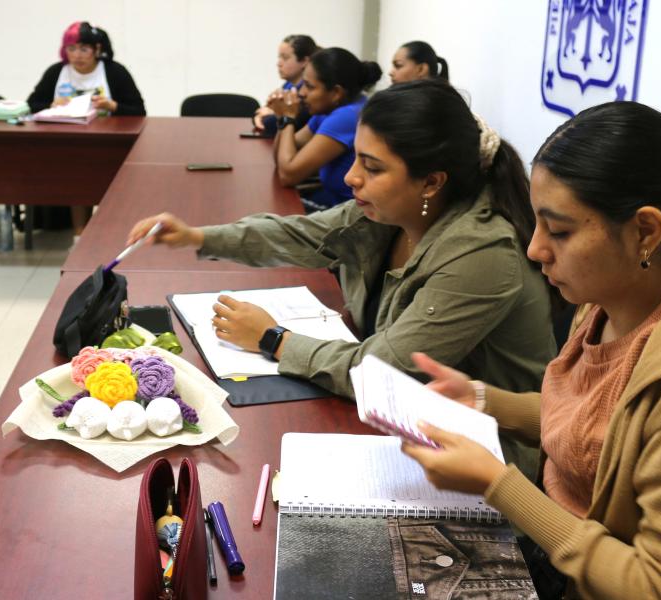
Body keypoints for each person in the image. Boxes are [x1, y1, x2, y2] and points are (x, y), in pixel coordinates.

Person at [402, 101, 661, 599]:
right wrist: (481, 400)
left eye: (558, 230)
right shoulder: (605, 304)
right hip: (553, 564)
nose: (536, 249)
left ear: (645, 232)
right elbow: (595, 430)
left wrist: (499, 485)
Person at [127, 80, 556, 458]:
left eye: (372, 167)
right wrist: (198, 237)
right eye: (355, 158)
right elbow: (302, 234)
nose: (351, 178)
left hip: (486, 463)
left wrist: (273, 338)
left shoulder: (482, 253)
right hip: (411, 425)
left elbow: (384, 371)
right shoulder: (392, 212)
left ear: (431, 182)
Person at [27, 21, 146, 237]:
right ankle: (79, 235)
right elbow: (33, 103)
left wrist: (113, 106)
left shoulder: (114, 72)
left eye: (84, 49)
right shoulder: (56, 72)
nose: (77, 55)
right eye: (71, 49)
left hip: (108, 144)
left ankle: (110, 230)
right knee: (75, 173)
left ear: (97, 50)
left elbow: (139, 110)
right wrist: (51, 105)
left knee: (92, 175)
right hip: (64, 145)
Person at [268, 47, 382, 211]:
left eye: (309, 86)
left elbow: (288, 175)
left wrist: (288, 118)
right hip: (334, 205)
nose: (301, 92)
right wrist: (282, 118)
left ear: (336, 92)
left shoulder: (348, 116)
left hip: (353, 215)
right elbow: (282, 157)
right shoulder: (329, 110)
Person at [252, 34, 318, 134]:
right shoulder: (288, 85)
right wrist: (260, 116)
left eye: (285, 58)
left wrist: (271, 115)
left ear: (305, 61)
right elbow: (262, 111)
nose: (279, 63)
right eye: (279, 57)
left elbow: (271, 123)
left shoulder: (306, 93)